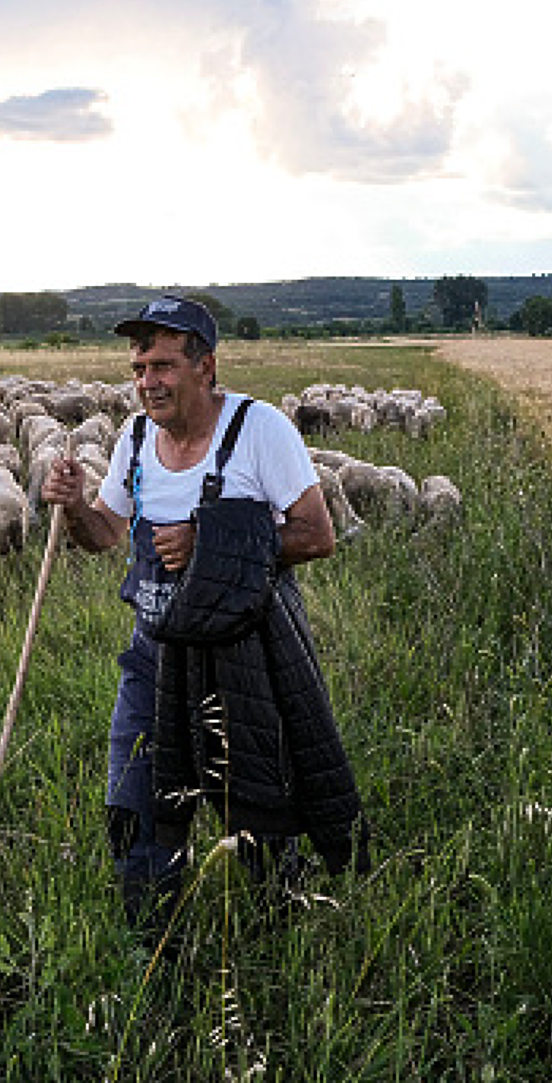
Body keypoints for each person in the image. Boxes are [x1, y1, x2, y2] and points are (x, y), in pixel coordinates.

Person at [40, 295, 368, 944]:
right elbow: (106, 533)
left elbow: (316, 533)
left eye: (162, 365)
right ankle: (158, 957)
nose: (147, 381)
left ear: (205, 366)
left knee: (258, 822)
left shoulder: (260, 430)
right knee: (135, 814)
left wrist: (209, 540)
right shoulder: (134, 438)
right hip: (153, 658)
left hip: (243, 661)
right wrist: (76, 507)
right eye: (139, 367)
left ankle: (279, 946)